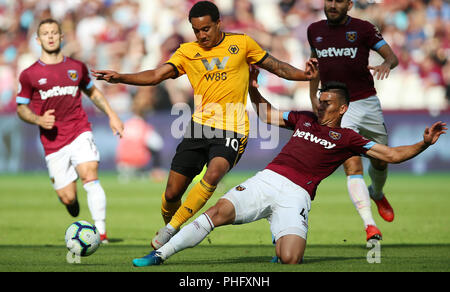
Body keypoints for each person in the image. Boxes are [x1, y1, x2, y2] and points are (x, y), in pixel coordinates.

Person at [131, 67, 446, 266]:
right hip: (268, 179)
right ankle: (160, 254)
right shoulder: (303, 118)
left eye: (327, 101)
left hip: (298, 195)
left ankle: (278, 236)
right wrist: (254, 89)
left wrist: (423, 144)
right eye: (320, 99)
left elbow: (390, 155)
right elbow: (267, 115)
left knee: (290, 259)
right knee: (216, 213)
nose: (321, 103)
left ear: (343, 107)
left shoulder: (349, 137)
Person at [92, 0, 316, 250]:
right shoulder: (187, 51)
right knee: (171, 194)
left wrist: (304, 76)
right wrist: (121, 77)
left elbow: (276, 66)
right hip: (199, 126)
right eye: (196, 30)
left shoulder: (242, 44)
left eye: (206, 29)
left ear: (218, 23)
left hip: (233, 128)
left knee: (214, 173)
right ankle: (172, 225)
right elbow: (157, 75)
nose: (201, 35)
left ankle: (171, 229)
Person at [16, 18, 124, 243]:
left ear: (61, 37)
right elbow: (21, 108)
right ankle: (72, 202)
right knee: (67, 198)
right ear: (38, 39)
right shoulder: (30, 74)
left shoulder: (76, 68)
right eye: (46, 33)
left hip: (79, 130)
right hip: (53, 141)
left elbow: (92, 93)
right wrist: (37, 119)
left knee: (90, 175)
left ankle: (101, 233)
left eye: (54, 32)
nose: (51, 36)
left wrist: (112, 115)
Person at [307, 0, 400, 241]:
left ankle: (378, 193)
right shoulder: (314, 30)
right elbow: (315, 66)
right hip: (336, 107)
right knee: (352, 162)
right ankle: (370, 226)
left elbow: (392, 57)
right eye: (329, 0)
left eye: (338, 1)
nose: (332, 5)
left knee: (381, 160)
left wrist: (386, 65)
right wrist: (312, 96)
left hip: (366, 101)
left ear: (349, 5)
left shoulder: (364, 29)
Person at [115, 89, 166, 183]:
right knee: (153, 148)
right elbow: (158, 145)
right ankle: (156, 171)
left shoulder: (125, 124)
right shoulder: (144, 127)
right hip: (139, 165)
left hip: (122, 165)